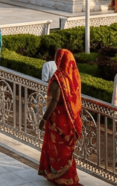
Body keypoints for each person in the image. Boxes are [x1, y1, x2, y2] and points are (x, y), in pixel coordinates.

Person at [38, 49, 82, 186]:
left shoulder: (59, 78)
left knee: (57, 150)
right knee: (66, 151)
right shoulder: (73, 78)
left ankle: (59, 177)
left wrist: (44, 119)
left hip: (57, 121)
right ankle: (66, 178)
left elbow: (54, 101)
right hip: (71, 120)